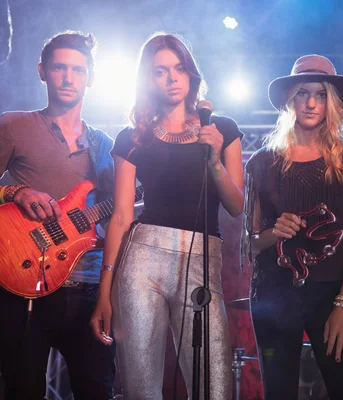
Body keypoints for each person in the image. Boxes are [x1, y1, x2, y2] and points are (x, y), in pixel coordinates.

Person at [0, 31, 116, 399]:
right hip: (26, 281)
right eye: (59, 67)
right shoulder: (14, 124)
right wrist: (14, 191)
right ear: (42, 71)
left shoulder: (105, 145)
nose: (68, 77)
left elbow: (116, 215)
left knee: (97, 390)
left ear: (89, 78)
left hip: (89, 287)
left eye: (77, 70)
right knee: (24, 390)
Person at [90, 33, 244, 399]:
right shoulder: (132, 137)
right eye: (160, 72)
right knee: (140, 388)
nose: (172, 78)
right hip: (142, 260)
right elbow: (121, 216)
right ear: (148, 79)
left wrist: (214, 159)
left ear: (191, 74)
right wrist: (104, 291)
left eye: (178, 69)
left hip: (202, 261)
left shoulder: (222, 129)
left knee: (214, 388)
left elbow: (237, 206)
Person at [242, 54, 343, 399]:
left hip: (331, 295)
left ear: (332, 101)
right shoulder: (261, 162)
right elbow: (252, 242)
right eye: (303, 92)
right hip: (274, 294)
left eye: (321, 93)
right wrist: (274, 233)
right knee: (279, 393)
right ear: (290, 98)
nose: (312, 102)